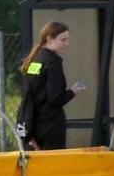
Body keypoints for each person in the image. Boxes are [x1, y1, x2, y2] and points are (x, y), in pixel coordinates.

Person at [16, 21, 85, 150]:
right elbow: (54, 98)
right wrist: (72, 92)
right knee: (54, 165)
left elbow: (30, 89)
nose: (67, 44)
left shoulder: (35, 59)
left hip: (32, 122)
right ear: (49, 39)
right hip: (50, 125)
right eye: (63, 40)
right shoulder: (53, 63)